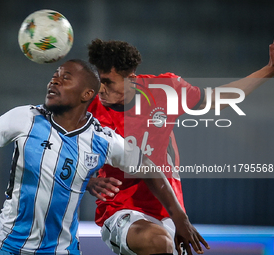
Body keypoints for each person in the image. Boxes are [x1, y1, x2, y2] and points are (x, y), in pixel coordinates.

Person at [0, 59, 205, 255]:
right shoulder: (25, 118)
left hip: (60, 249)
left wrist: (179, 218)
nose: (54, 81)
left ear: (87, 94)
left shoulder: (102, 138)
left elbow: (149, 168)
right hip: (6, 244)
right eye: (54, 76)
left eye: (65, 78)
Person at [86, 39, 274, 255]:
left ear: (131, 79)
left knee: (161, 241)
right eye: (98, 81)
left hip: (166, 212)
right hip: (119, 209)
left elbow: (219, 99)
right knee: (157, 242)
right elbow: (62, 149)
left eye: (108, 82)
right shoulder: (88, 107)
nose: (101, 89)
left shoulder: (165, 90)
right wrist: (88, 180)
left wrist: (269, 70)